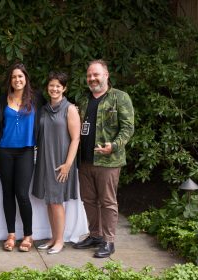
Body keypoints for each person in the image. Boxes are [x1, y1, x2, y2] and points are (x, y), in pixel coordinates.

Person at [72, 59, 134, 258]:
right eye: (89, 75)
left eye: (96, 74)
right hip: (85, 160)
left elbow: (127, 128)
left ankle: (108, 241)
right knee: (88, 200)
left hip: (108, 161)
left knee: (107, 201)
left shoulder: (119, 98)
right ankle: (95, 235)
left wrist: (114, 146)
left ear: (106, 75)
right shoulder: (83, 99)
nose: (92, 78)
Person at [0, 63, 43, 252]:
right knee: (7, 193)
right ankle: (11, 235)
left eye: (20, 77)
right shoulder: (1, 99)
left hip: (26, 150)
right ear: (10, 80)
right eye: (14, 77)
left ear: (26, 79)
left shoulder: (37, 98)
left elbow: (50, 115)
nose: (17, 80)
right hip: (4, 150)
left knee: (22, 194)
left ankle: (28, 235)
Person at [32, 72, 81, 255]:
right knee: (49, 202)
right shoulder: (43, 109)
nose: (54, 89)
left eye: (58, 86)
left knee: (57, 202)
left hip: (61, 162)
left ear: (64, 88)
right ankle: (53, 237)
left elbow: (76, 139)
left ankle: (60, 241)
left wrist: (68, 164)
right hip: (45, 160)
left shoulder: (70, 109)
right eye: (51, 85)